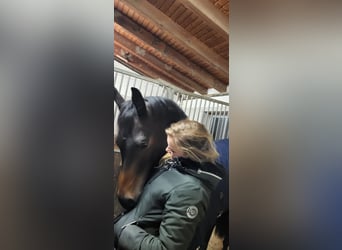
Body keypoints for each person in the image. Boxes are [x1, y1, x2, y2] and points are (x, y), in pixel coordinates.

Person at [114, 119, 225, 250]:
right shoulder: (178, 165)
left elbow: (167, 248)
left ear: (188, 152)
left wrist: (122, 230)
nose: (167, 150)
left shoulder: (191, 191)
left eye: (171, 149)